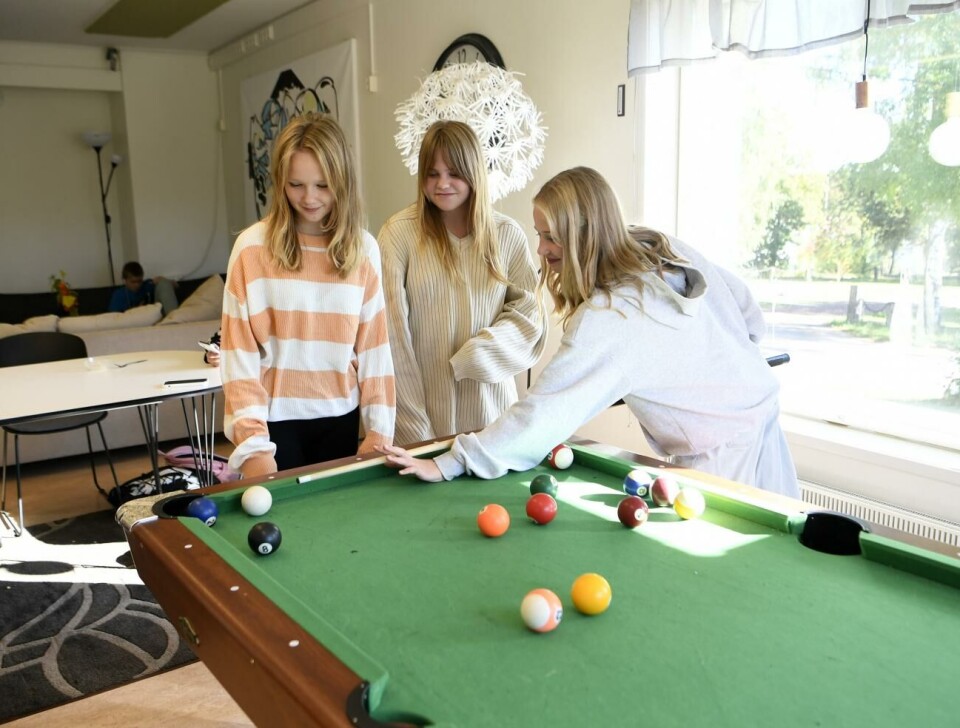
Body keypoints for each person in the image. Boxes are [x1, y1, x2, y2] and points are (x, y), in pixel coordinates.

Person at [378, 166, 799, 497]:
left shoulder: (611, 316)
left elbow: (541, 416)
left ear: (585, 236)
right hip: (762, 412)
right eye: (539, 234)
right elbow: (746, 310)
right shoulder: (656, 244)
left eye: (551, 237)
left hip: (723, 457)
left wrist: (451, 462)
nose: (541, 249)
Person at [221, 113, 395, 478]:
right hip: (273, 423)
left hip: (340, 418)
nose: (309, 198)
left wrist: (379, 432)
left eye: (323, 185)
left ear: (343, 182)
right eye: (296, 184)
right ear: (280, 182)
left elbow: (375, 349)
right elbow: (238, 356)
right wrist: (253, 445)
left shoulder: (364, 250)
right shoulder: (251, 248)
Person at [377, 120, 547, 446]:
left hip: (493, 419)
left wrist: (480, 354)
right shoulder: (398, 234)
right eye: (432, 173)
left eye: (454, 173)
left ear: (473, 172)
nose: (442, 184)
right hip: (423, 418)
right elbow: (392, 338)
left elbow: (531, 316)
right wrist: (416, 431)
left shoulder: (507, 235)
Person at [108, 261, 179, 315]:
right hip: (132, 322)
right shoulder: (118, 295)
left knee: (164, 283)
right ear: (124, 280)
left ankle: (174, 319)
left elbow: (175, 285)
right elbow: (114, 318)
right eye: (133, 282)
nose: (137, 285)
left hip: (154, 319)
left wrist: (164, 280)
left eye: (139, 281)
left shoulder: (146, 285)